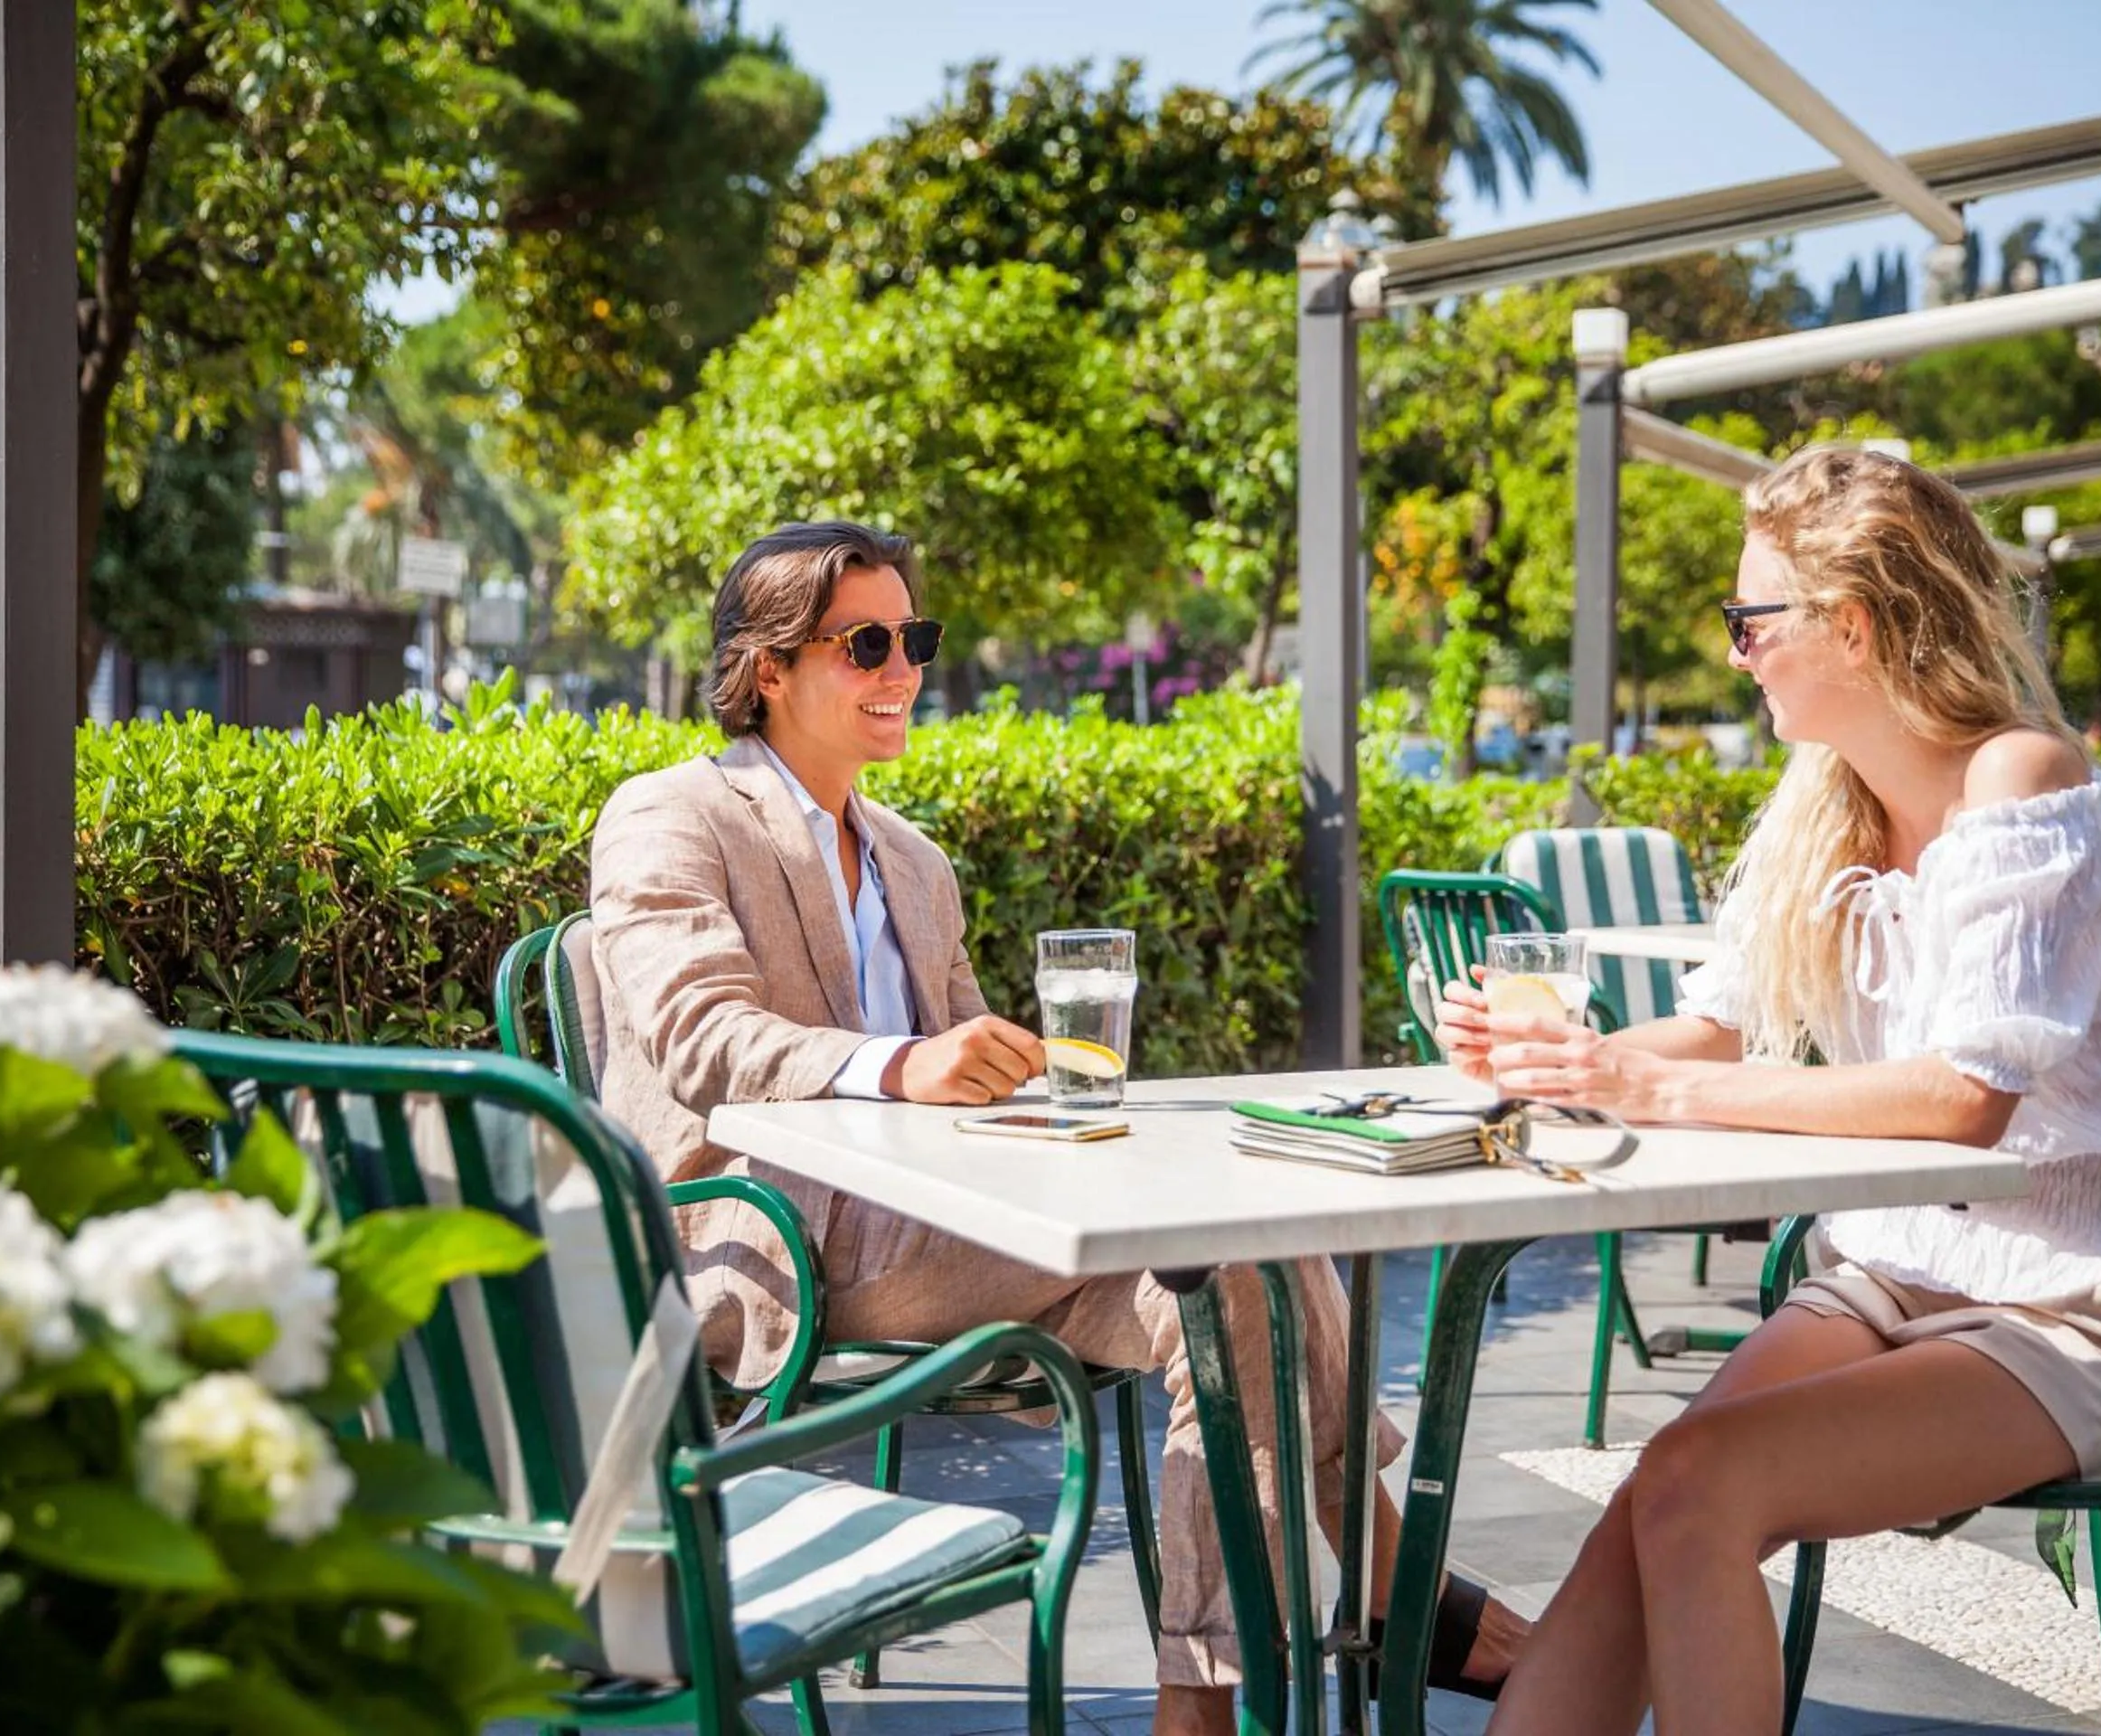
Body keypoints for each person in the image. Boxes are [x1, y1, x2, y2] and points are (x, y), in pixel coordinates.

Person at [589, 521, 1527, 1733]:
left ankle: (1222, 1688)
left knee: (1249, 1264)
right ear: (767, 668)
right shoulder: (673, 816)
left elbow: (962, 1064)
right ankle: (1385, 1609)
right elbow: (700, 1036)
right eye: (866, 642)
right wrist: (901, 1064)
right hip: (770, 1236)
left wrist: (1027, 1080)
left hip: (944, 1220)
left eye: (914, 639)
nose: (903, 669)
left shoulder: (914, 864)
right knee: (1240, 1275)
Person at [1439, 449, 2101, 1736]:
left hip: (2078, 1311)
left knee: (1698, 1478)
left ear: (1849, 626)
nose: (1737, 652)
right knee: (1661, 1491)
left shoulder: (2026, 784)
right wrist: (1565, 1059)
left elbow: (1969, 1101)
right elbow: (1711, 1023)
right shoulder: (1826, 801)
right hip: (1887, 1276)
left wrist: (1657, 1095)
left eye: (1752, 621)